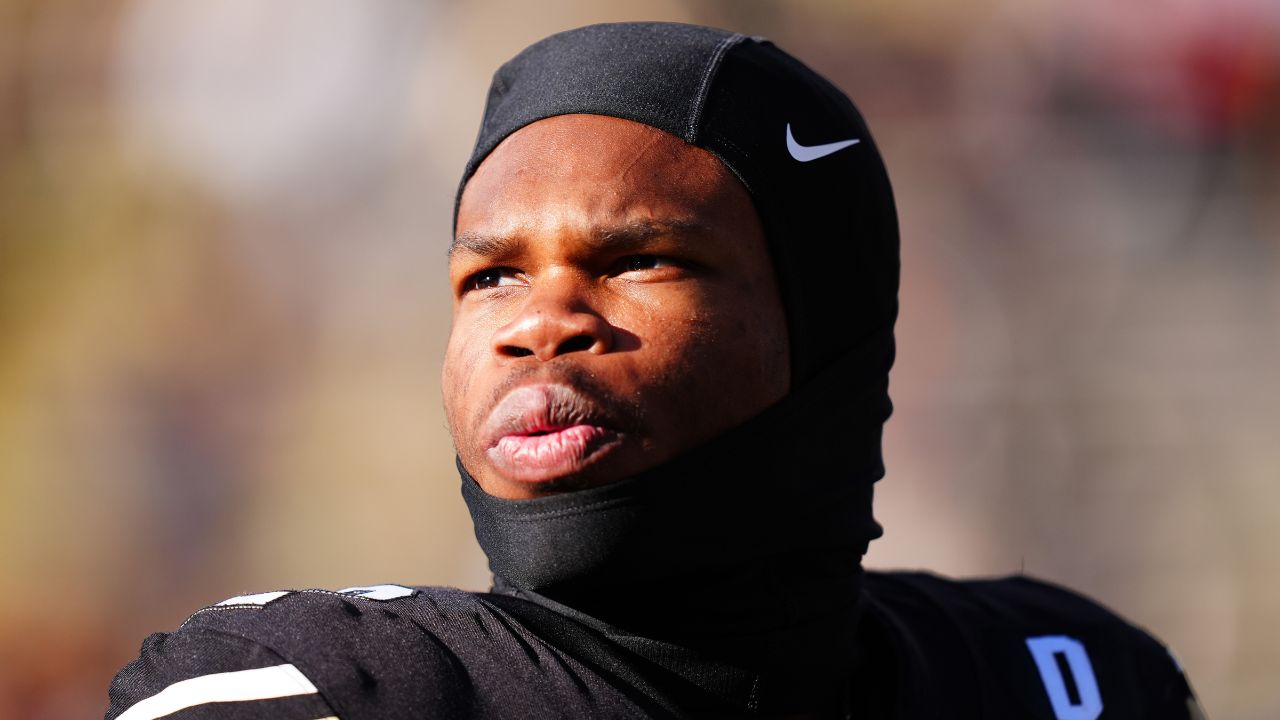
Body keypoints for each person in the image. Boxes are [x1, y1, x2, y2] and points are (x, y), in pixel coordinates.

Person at [105, 22, 1204, 720]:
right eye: (489, 277)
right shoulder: (309, 691)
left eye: (636, 260)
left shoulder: (1062, 677)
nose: (539, 327)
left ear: (822, 328)